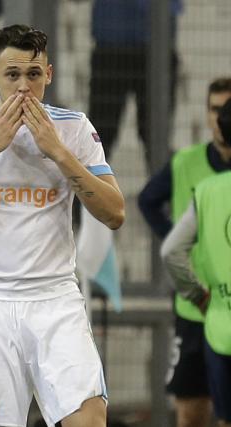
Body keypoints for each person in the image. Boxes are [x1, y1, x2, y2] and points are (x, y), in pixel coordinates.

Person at [0, 24, 124, 427]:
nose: (23, 87)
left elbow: (115, 213)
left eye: (33, 74)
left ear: (48, 75)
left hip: (55, 298)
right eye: (12, 75)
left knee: (88, 420)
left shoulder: (73, 128)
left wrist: (58, 152)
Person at [138, 77, 231, 427]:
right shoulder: (186, 164)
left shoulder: (211, 189)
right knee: (191, 411)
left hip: (219, 308)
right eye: (216, 109)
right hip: (197, 309)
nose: (221, 118)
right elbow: (148, 201)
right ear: (207, 114)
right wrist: (180, 239)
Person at [86, 0, 182, 167]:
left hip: (153, 46)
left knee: (156, 137)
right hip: (113, 43)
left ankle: (160, 183)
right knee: (99, 136)